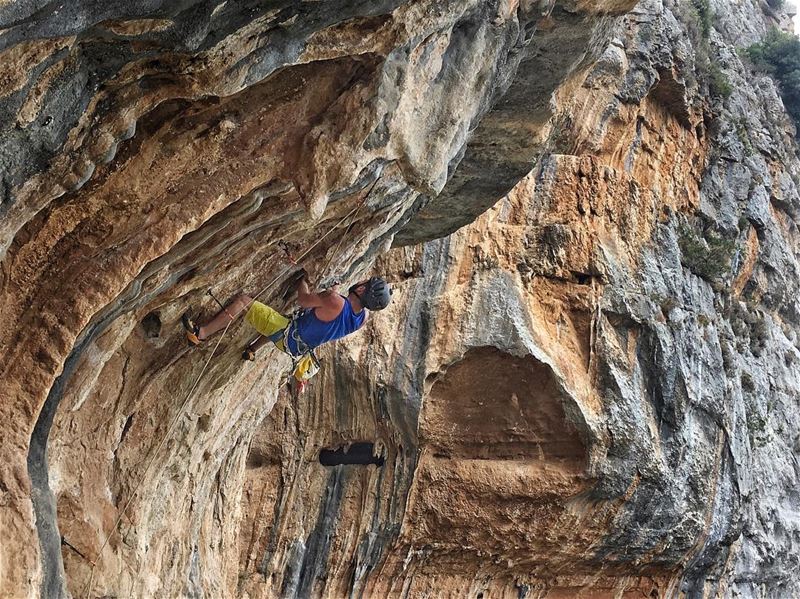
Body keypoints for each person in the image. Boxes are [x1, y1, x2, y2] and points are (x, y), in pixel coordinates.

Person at [181, 275, 392, 363]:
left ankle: (201, 333)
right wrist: (332, 294)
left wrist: (303, 279)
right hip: (296, 347)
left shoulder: (335, 301)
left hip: (287, 334)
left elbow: (303, 300)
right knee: (279, 323)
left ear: (363, 288)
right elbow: (338, 312)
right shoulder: (362, 317)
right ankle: (252, 349)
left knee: (244, 302)